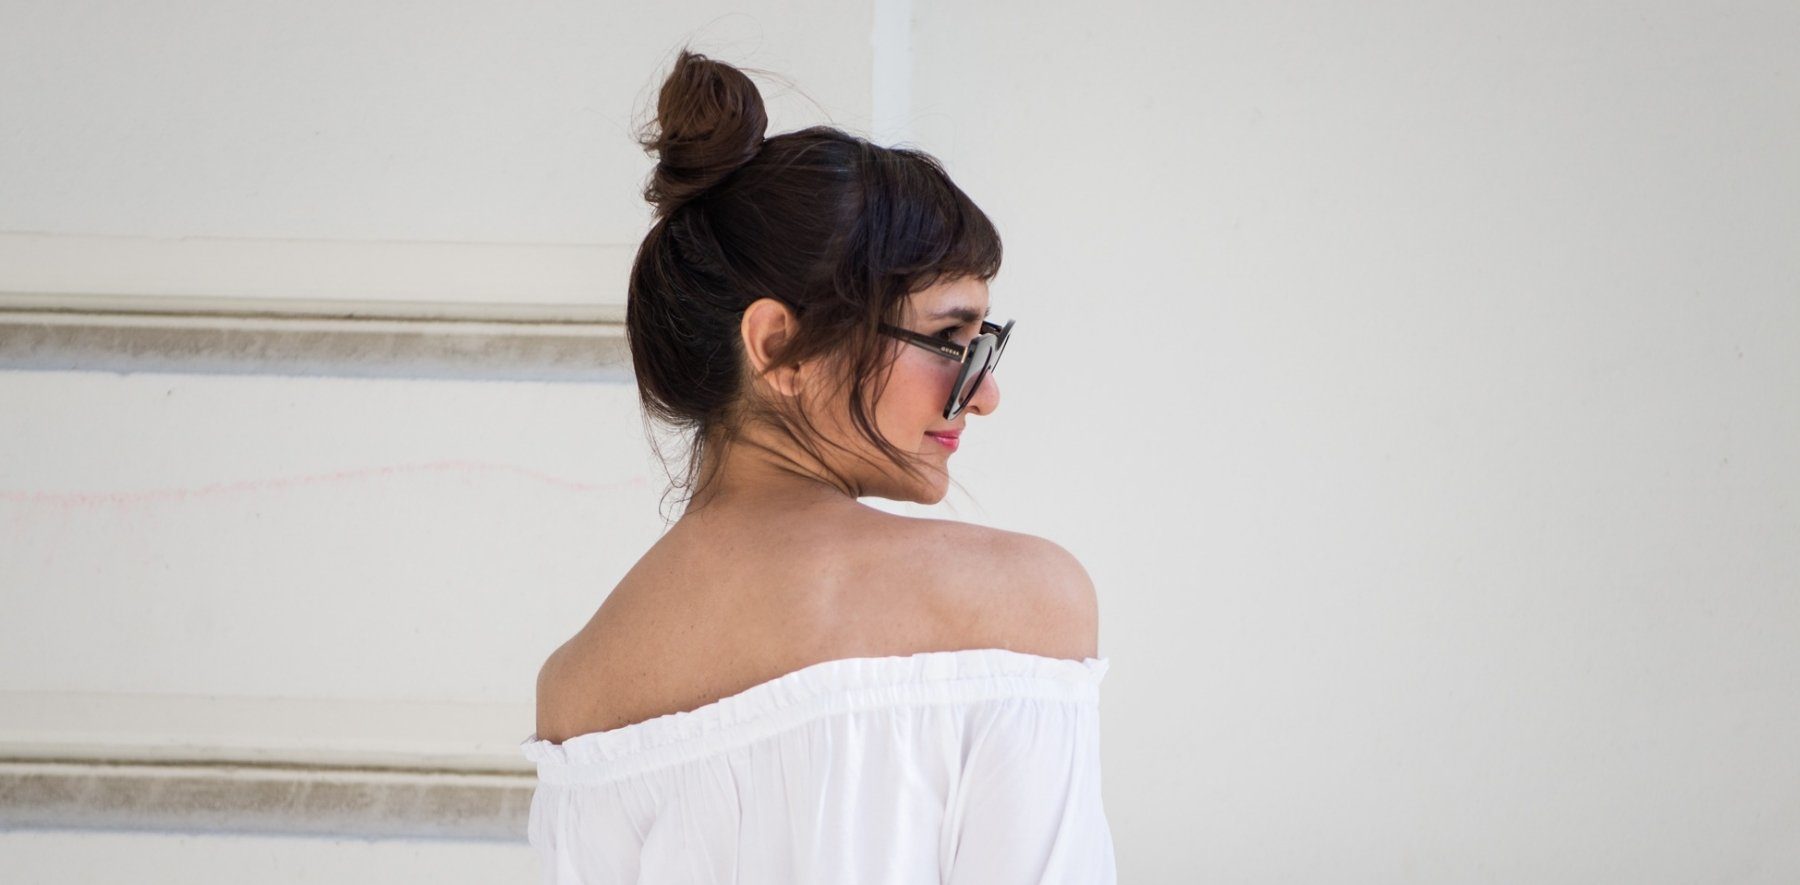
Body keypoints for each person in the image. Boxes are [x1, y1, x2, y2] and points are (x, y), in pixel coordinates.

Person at [520, 46, 1115, 884]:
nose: (983, 395)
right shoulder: (1019, 605)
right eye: (950, 339)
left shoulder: (577, 691)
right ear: (779, 345)